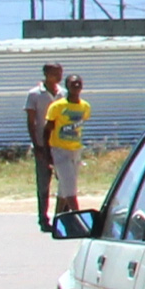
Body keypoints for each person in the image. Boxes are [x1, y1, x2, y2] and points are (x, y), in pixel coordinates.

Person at [43, 74, 90, 217]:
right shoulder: (57, 106)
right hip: (60, 150)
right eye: (73, 83)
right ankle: (78, 218)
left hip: (75, 149)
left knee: (64, 189)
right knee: (70, 188)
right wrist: (47, 153)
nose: (76, 86)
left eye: (79, 83)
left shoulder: (85, 107)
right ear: (67, 86)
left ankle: (58, 219)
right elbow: (47, 130)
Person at [24, 63, 62, 221]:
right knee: (43, 182)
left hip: (60, 144)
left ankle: (62, 215)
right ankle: (43, 216)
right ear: (46, 74)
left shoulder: (63, 93)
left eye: (60, 73)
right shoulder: (35, 94)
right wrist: (36, 144)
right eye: (55, 73)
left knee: (64, 181)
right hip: (42, 144)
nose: (58, 77)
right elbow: (31, 121)